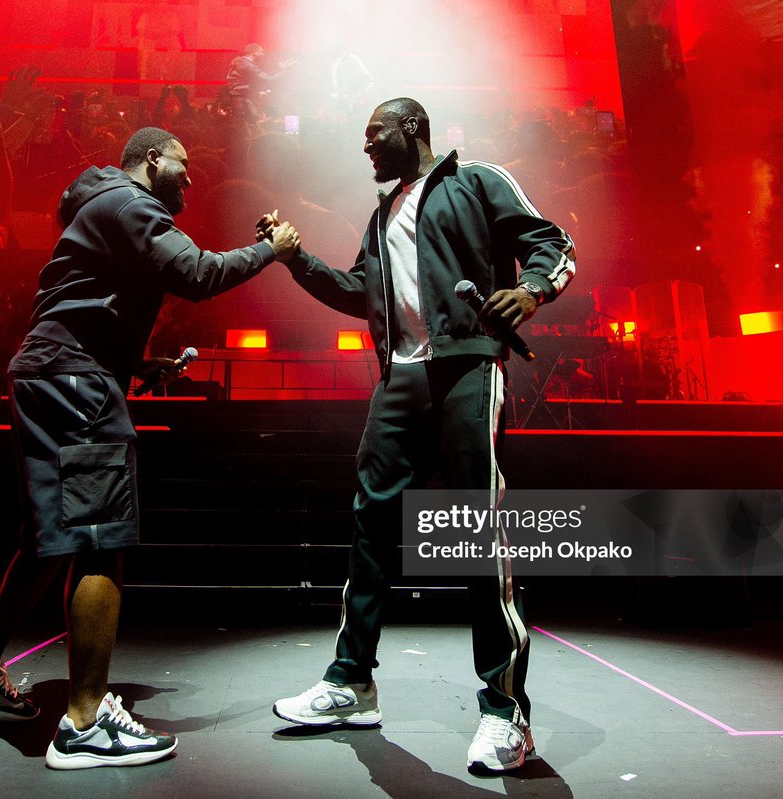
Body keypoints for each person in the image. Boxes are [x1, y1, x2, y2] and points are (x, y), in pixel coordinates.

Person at [0, 126, 300, 770]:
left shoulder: (103, 205)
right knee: (99, 537)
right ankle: (84, 724)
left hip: (52, 372)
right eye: (183, 165)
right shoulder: (132, 204)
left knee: (49, 538)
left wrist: (136, 363)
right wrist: (271, 249)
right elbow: (198, 273)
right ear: (151, 160)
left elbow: (84, 304)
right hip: (75, 379)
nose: (191, 178)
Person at [263, 98, 576, 772]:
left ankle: (506, 712)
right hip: (401, 378)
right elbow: (359, 292)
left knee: (477, 530)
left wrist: (531, 289)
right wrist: (295, 259)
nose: (366, 147)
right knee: (370, 524)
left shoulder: (476, 180)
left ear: (411, 128)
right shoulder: (381, 218)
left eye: (373, 133)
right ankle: (352, 683)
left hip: (466, 368)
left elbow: (552, 242)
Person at [224, 43, 295, 123]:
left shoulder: (243, 64)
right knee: (252, 124)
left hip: (243, 98)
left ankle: (290, 128)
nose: (263, 55)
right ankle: (291, 129)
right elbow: (267, 80)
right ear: (254, 52)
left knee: (253, 124)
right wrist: (286, 70)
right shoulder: (247, 65)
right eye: (261, 52)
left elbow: (266, 80)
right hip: (244, 99)